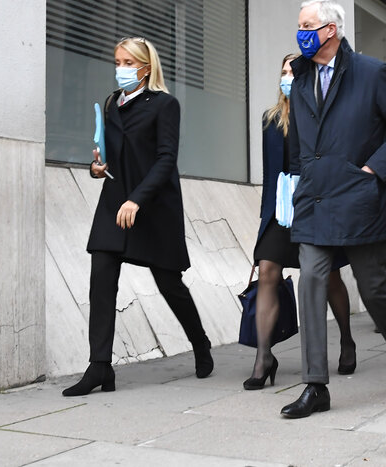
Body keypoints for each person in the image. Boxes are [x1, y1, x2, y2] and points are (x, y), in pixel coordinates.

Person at [280, 0, 386, 419]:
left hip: (362, 200)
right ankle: (315, 386)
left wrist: (373, 170)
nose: (301, 32)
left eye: (308, 25)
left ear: (331, 30)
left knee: (374, 290)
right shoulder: (302, 79)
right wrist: (297, 181)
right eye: (299, 24)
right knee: (310, 280)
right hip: (315, 201)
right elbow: (300, 142)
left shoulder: (372, 73)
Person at [63, 37, 212, 396]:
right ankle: (99, 366)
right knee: (101, 278)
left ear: (146, 67)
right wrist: (97, 168)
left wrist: (138, 200)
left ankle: (200, 342)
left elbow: (165, 159)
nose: (121, 69)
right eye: (117, 61)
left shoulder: (165, 105)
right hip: (115, 201)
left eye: (128, 62)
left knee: (169, 284)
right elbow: (113, 154)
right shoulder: (113, 103)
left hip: (152, 206)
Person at [245, 54, 356, 390]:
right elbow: (269, 175)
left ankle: (347, 339)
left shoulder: (325, 116)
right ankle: (264, 356)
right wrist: (265, 222)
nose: (287, 77)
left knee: (330, 276)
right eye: (282, 72)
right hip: (282, 209)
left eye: (293, 73)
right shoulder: (271, 119)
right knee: (267, 270)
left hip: (318, 205)